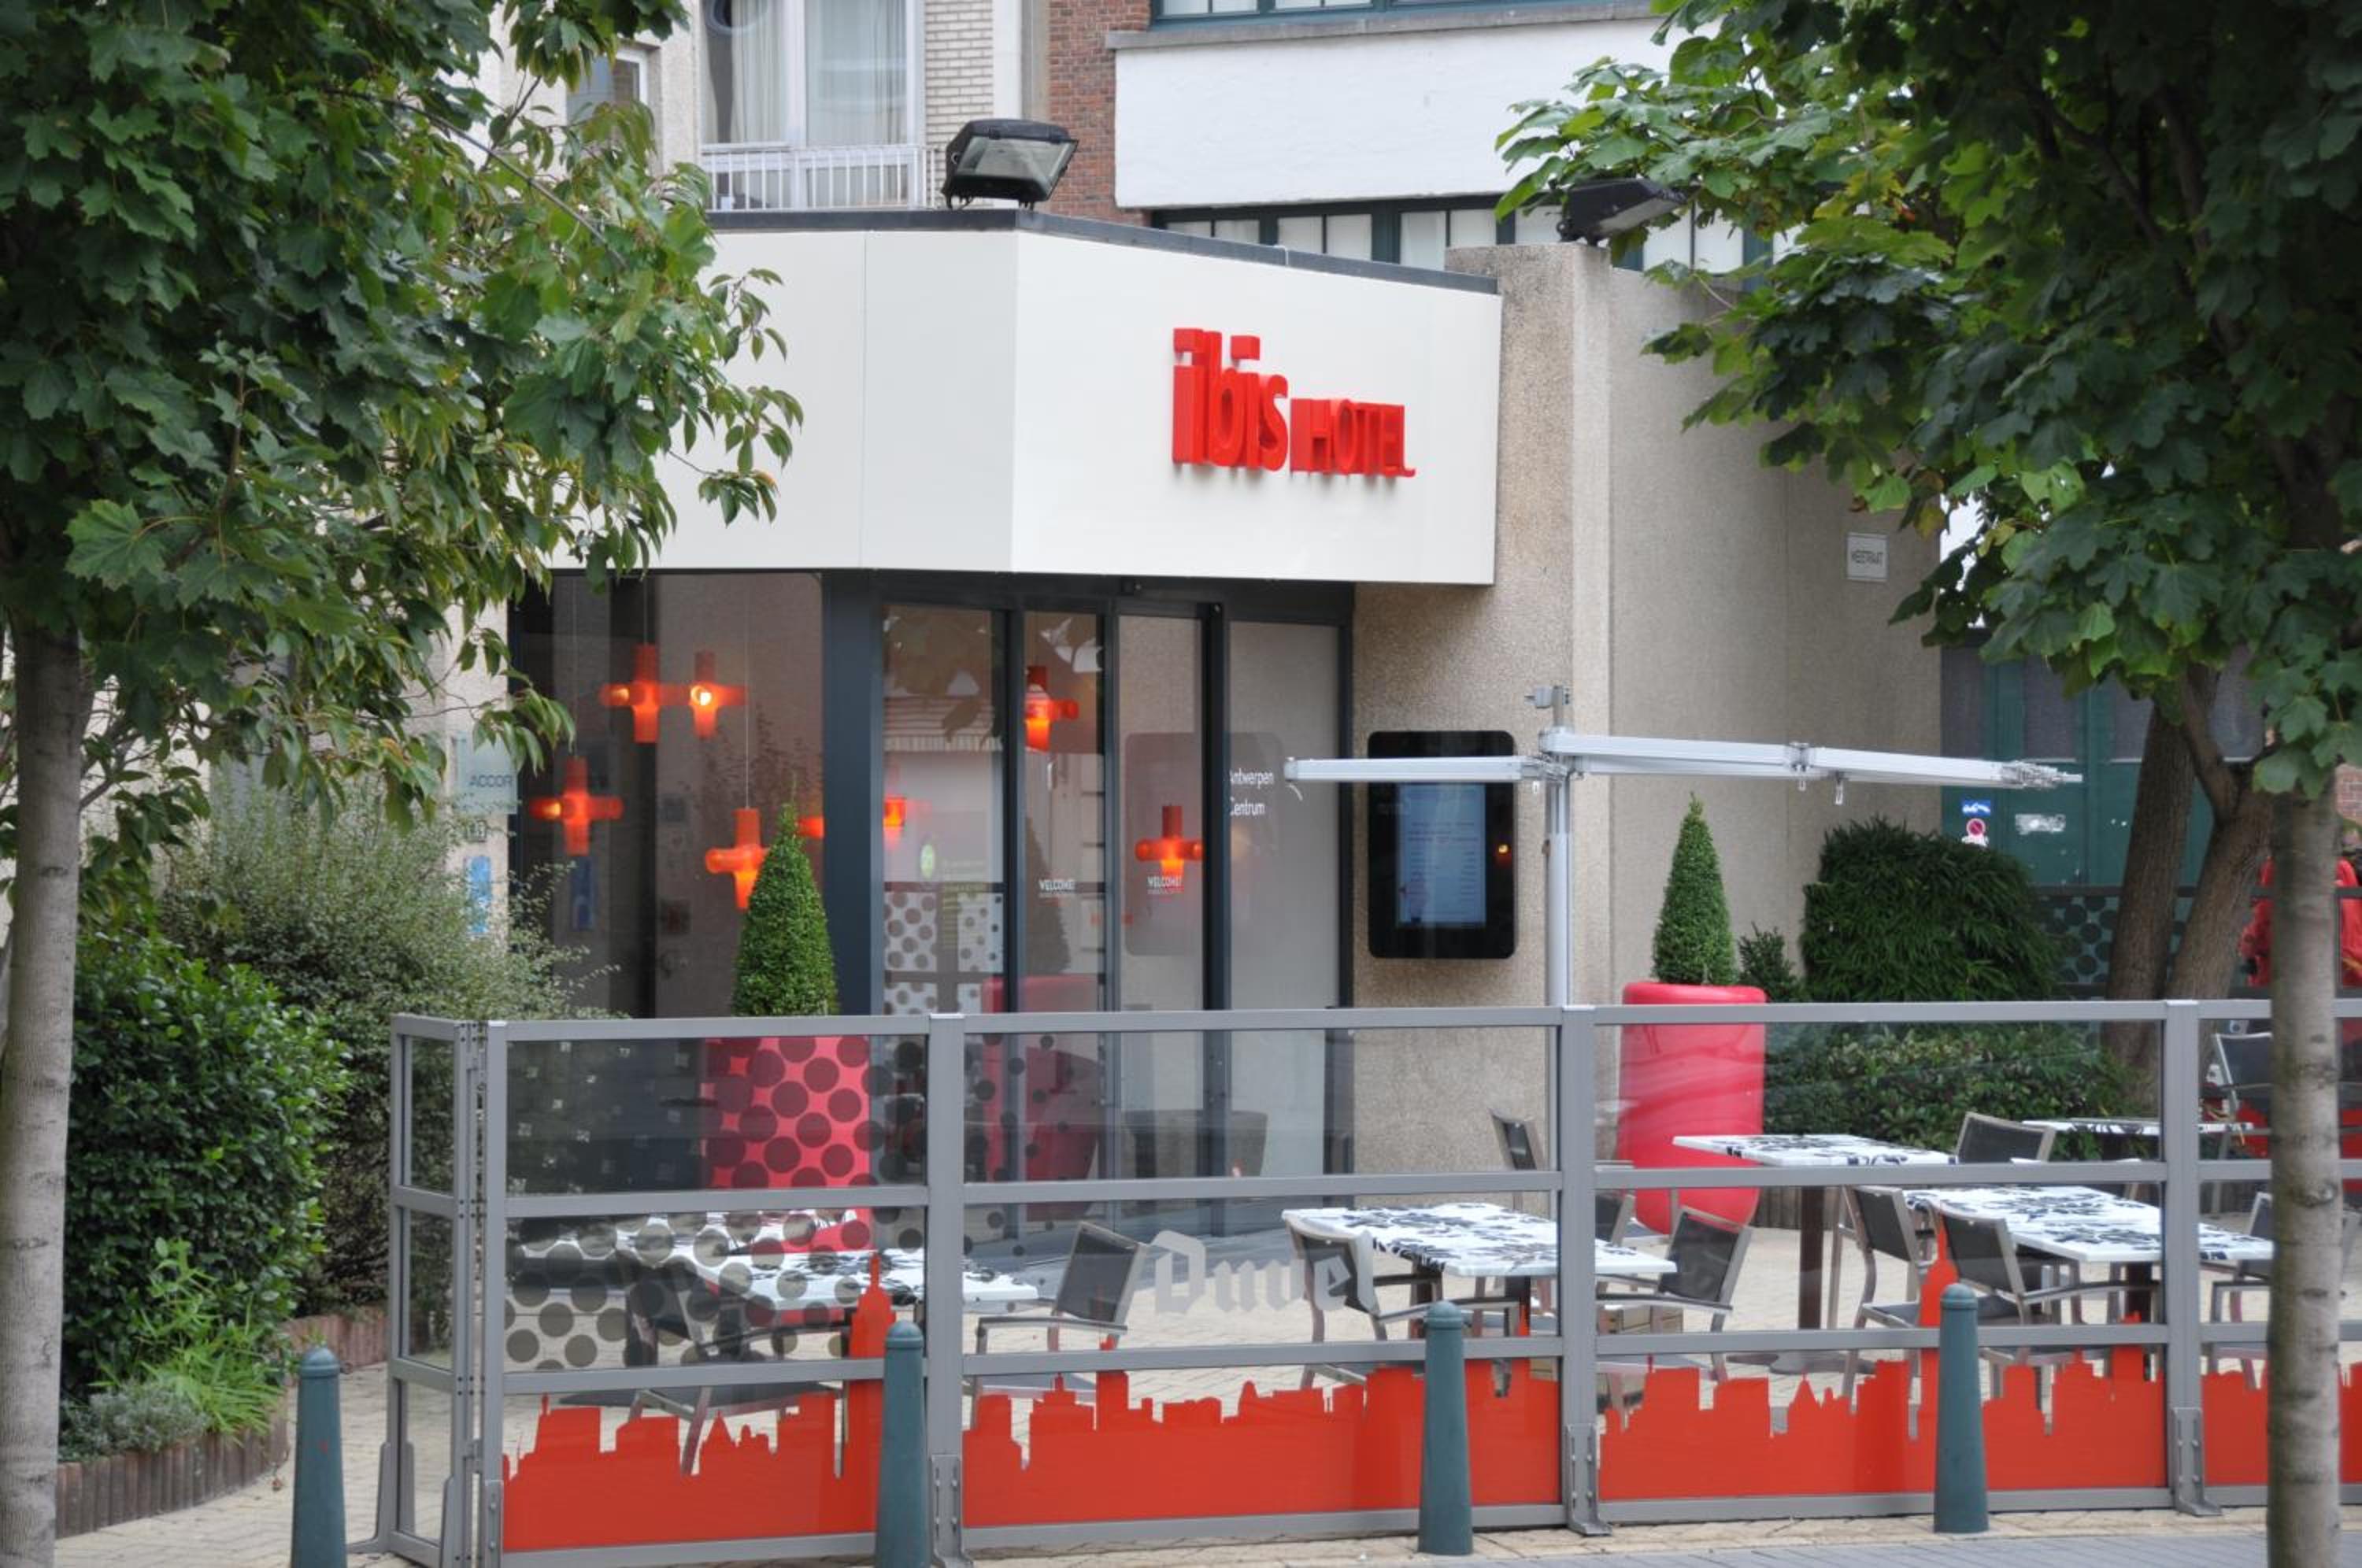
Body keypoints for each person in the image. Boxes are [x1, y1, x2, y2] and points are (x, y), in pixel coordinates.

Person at [2237, 854, 2362, 989]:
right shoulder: (2343, 867)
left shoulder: (2279, 867)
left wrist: (2248, 941)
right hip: (2348, 972)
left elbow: (2266, 924)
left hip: (2291, 977)